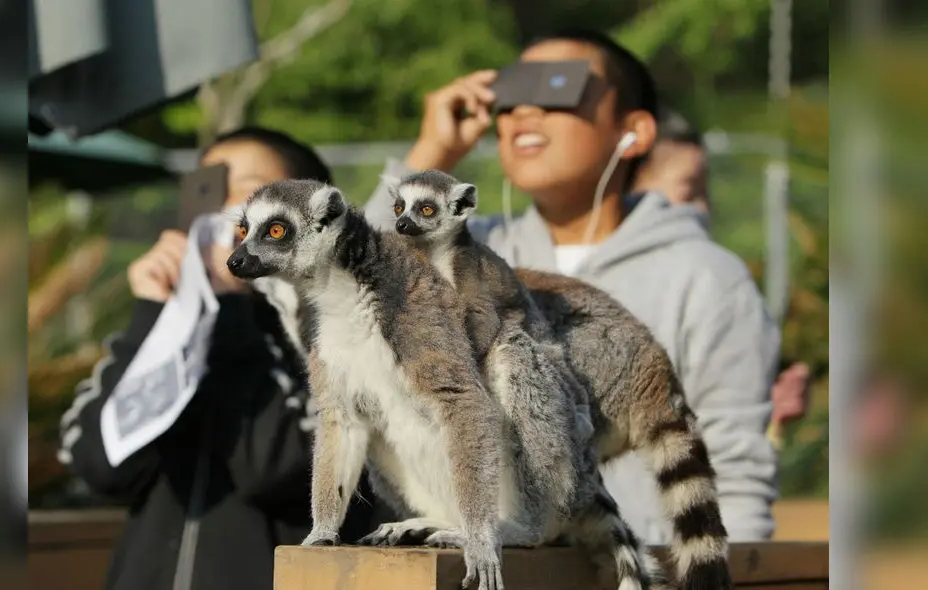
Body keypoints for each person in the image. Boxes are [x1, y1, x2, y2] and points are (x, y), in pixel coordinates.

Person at [362, 29, 782, 544]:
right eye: (512, 96)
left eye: (559, 88)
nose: (525, 112)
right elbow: (359, 280)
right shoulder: (470, 249)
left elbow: (733, 470)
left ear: (634, 131)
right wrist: (433, 154)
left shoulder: (703, 276)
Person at [57, 127, 394, 590]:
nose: (223, 208)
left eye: (249, 189)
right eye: (208, 187)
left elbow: (279, 468)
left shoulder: (348, 332)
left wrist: (232, 308)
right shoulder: (167, 325)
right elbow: (99, 464)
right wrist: (152, 318)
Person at [631, 106, 813, 435]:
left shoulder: (716, 282)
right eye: (688, 191)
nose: (703, 207)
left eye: (705, 191)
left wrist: (768, 404)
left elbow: (731, 416)